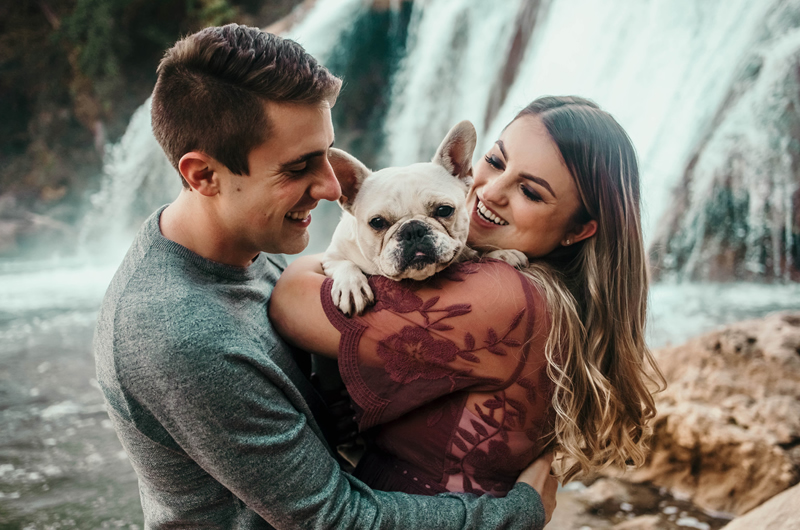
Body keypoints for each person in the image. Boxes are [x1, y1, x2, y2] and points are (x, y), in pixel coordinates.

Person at [94, 23, 556, 529]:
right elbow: (334, 520)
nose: (333, 186)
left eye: (328, 152)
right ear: (204, 176)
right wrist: (518, 512)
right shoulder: (179, 335)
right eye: (299, 167)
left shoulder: (249, 246)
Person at [270, 96, 665, 496]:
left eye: (530, 191)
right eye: (494, 162)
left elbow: (290, 302)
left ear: (578, 230)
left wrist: (331, 259)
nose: (490, 191)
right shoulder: (541, 286)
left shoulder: (497, 298)